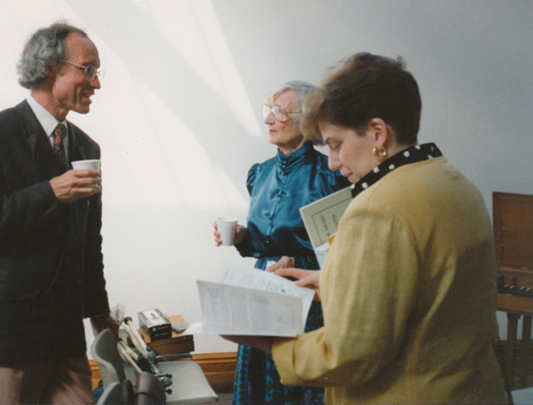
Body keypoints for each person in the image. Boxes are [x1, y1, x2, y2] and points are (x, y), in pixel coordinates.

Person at [222, 53, 508, 404]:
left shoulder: (375, 208)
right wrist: (335, 284)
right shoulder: (456, 184)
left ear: (378, 133)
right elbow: (428, 296)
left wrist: (264, 340)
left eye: (337, 144)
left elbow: (350, 354)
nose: (332, 162)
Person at [0, 22, 119, 404]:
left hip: (65, 335)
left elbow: (88, 243)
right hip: (10, 337)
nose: (96, 83)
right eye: (88, 70)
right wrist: (49, 193)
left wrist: (99, 313)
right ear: (50, 68)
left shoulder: (85, 145)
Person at [213, 81, 349, 405]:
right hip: (265, 279)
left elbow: (341, 245)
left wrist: (294, 255)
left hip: (308, 286)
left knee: (299, 378)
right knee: (258, 374)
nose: (268, 120)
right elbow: (263, 242)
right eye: (267, 111)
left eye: (279, 112)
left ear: (307, 119)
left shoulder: (331, 175)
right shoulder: (258, 173)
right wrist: (244, 238)